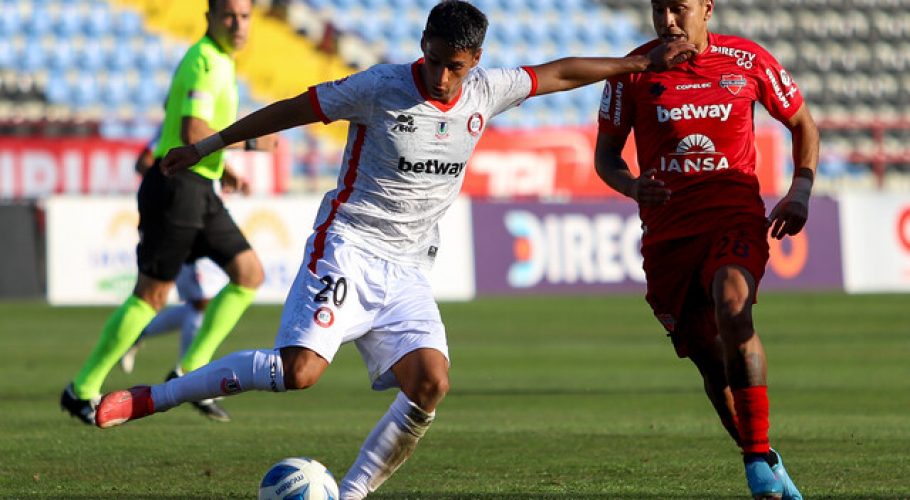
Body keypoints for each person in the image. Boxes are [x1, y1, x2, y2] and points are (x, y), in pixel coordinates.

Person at [94, 1, 694, 498]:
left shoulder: (486, 91)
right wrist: (209, 146)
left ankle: (349, 494)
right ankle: (156, 397)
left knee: (431, 382)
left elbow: (559, 73)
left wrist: (636, 63)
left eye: (455, 68)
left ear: (475, 62)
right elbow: (294, 109)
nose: (442, 78)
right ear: (423, 45)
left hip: (409, 268)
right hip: (348, 246)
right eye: (434, 61)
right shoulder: (380, 87)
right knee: (299, 372)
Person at [593, 1, 818, 498]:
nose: (668, 21)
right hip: (668, 234)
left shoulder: (747, 61)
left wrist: (799, 191)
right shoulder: (632, 72)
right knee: (709, 357)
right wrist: (632, 187)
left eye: (679, 9)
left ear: (707, 9)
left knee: (733, 305)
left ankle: (756, 458)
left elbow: (802, 122)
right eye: (659, 9)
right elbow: (606, 157)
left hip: (733, 215)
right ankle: (765, 460)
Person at [60, 0, 274, 425]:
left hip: (200, 186)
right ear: (209, 18)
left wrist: (223, 166)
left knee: (249, 274)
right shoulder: (204, 60)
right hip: (176, 189)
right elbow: (191, 131)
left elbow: (188, 130)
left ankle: (190, 371)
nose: (238, 24)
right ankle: (81, 390)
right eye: (229, 15)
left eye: (245, 16)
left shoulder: (221, 62)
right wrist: (251, 142)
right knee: (151, 296)